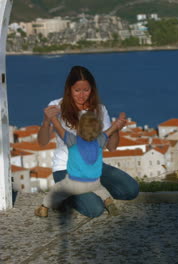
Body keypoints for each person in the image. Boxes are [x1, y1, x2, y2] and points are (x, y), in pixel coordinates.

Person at [37, 65, 139, 218]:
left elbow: (111, 147)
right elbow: (43, 141)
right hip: (66, 169)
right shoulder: (56, 106)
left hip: (93, 168)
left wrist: (116, 128)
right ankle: (65, 196)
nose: (81, 95)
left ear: (92, 89)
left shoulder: (100, 109)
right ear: (69, 89)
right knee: (94, 210)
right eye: (77, 90)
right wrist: (46, 121)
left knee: (131, 190)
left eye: (86, 90)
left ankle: (83, 192)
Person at [35, 112, 120, 217]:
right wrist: (116, 125)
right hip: (94, 182)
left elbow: (58, 127)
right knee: (101, 189)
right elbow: (108, 132)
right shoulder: (100, 141)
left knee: (56, 190)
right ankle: (108, 202)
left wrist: (53, 118)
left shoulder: (72, 140)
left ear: (79, 129)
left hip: (74, 183)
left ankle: (44, 208)